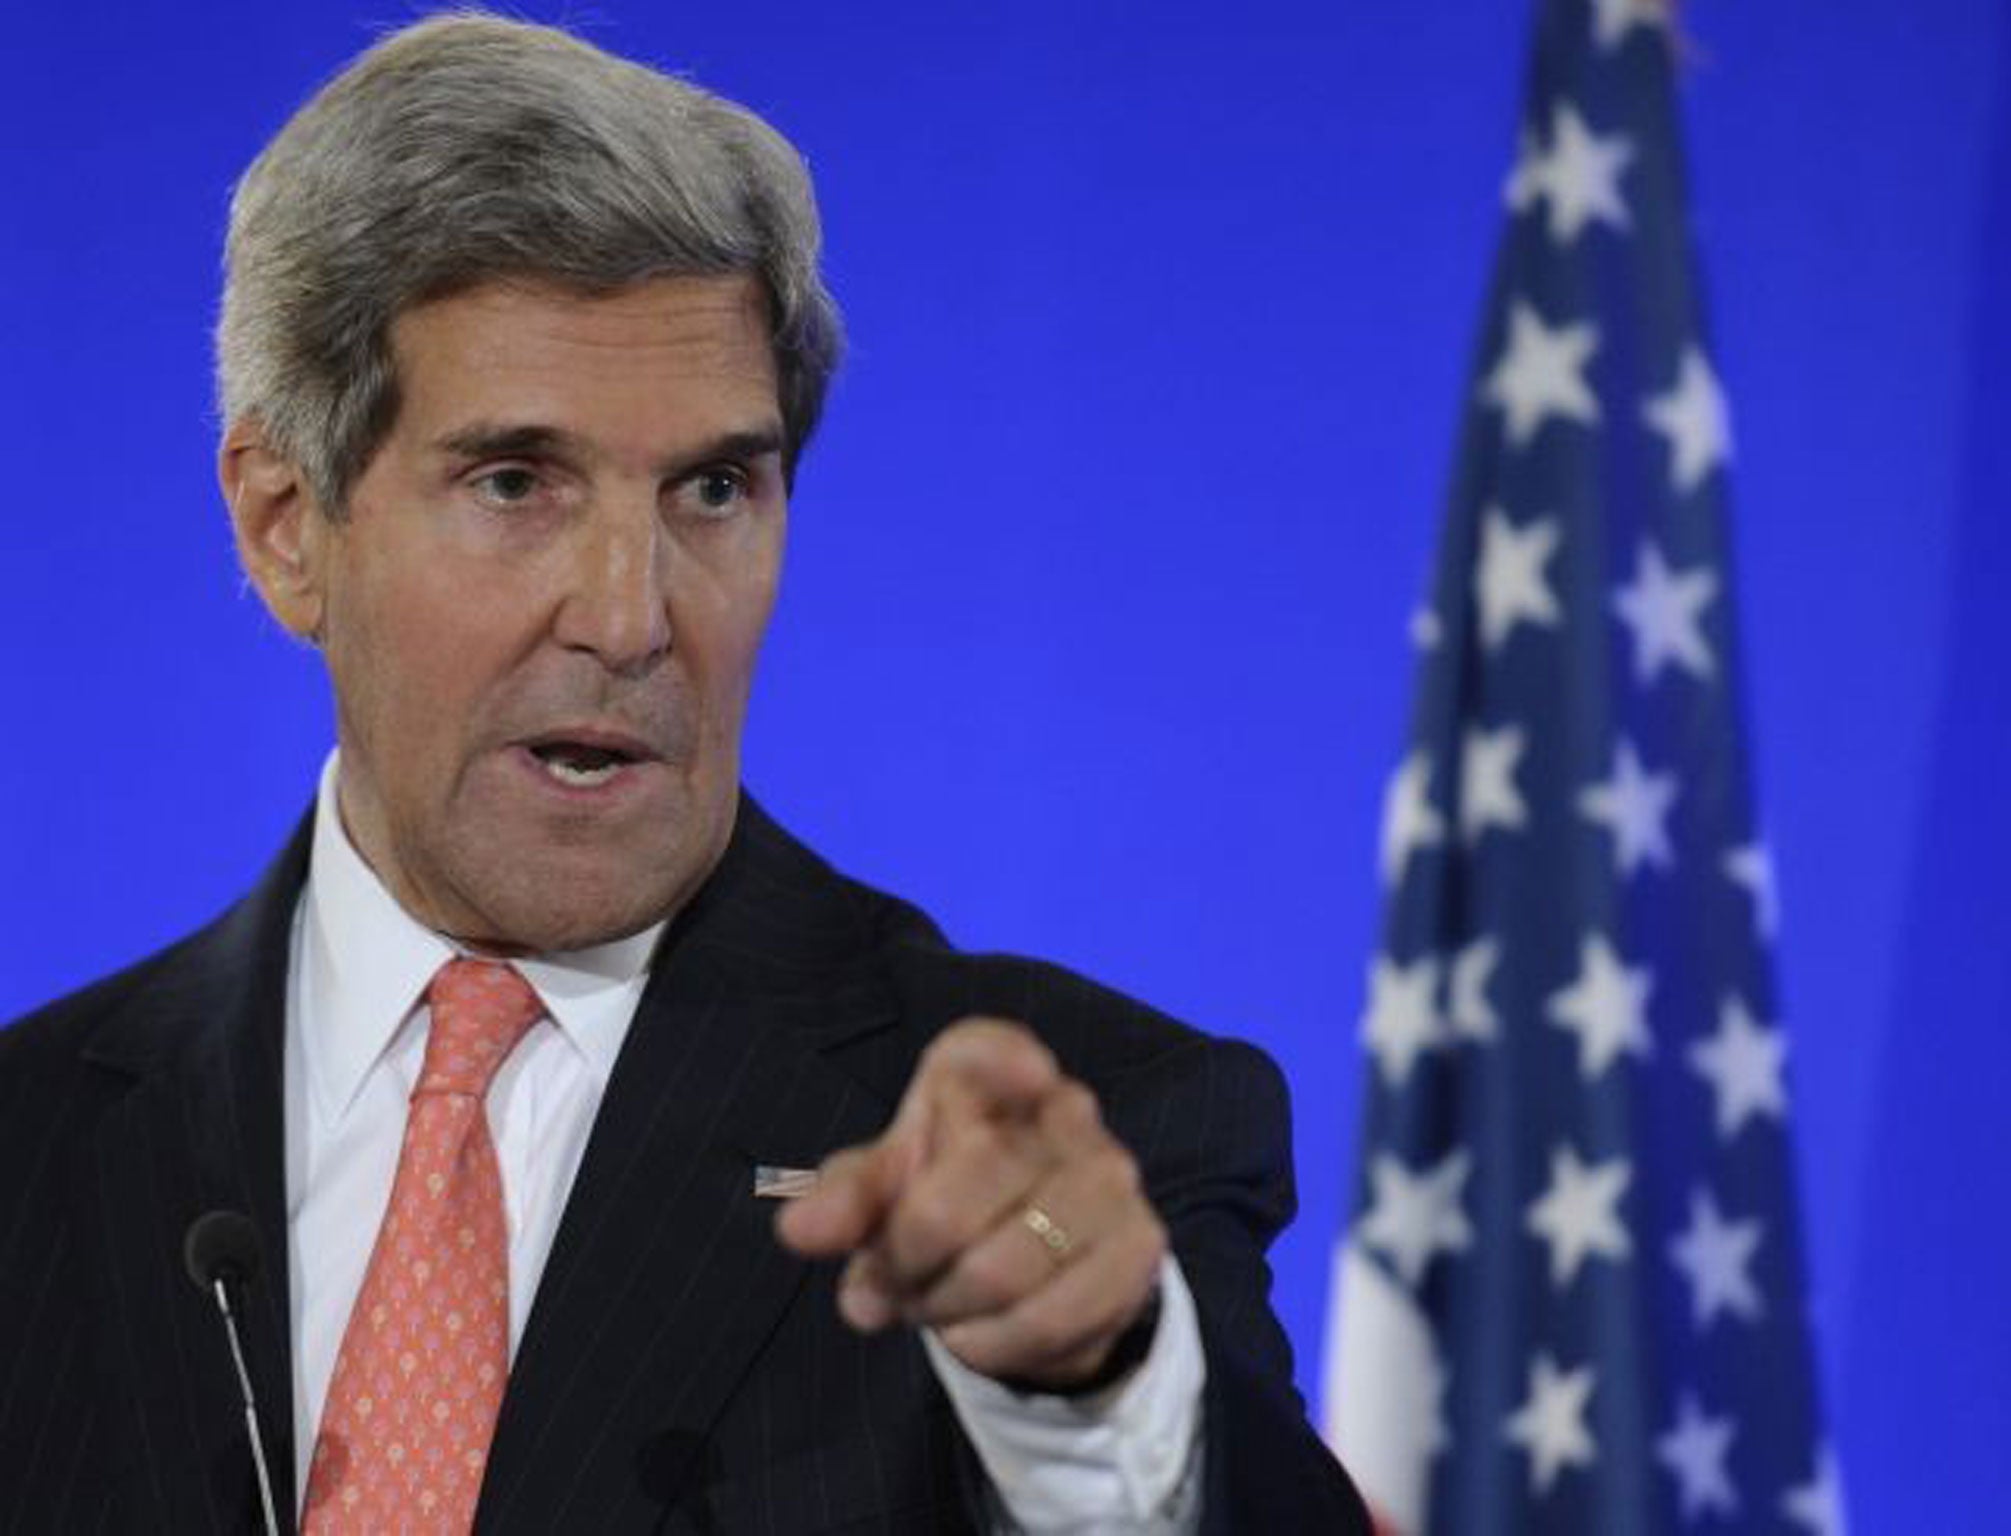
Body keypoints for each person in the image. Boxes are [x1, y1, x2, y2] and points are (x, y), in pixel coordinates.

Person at [0, 14, 1369, 1533]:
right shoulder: (32, 1154)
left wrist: (1098, 1382)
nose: (632, 617)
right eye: (516, 482)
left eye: (715, 488)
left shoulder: (1054, 1157)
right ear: (283, 522)